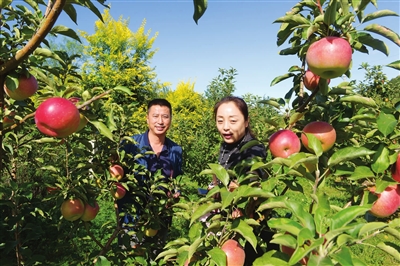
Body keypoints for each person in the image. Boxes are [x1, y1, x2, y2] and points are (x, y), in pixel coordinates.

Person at [212, 96, 278, 265]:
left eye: (233, 121)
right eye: (220, 121)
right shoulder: (226, 146)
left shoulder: (253, 148)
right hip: (228, 219)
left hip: (247, 222)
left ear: (247, 121)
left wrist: (237, 194)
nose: (225, 127)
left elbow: (252, 182)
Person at [117, 99, 183, 253]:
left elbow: (175, 179)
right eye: (155, 116)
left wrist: (175, 194)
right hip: (131, 218)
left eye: (165, 116)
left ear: (171, 119)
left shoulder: (176, 150)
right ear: (147, 118)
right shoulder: (130, 145)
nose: (160, 121)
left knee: (157, 256)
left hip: (159, 219)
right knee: (130, 258)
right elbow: (117, 179)